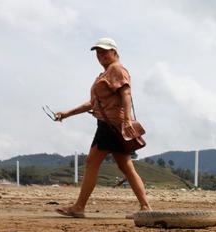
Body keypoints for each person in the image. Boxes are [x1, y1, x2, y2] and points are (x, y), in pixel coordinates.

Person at [53, 37, 151, 217]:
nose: (101, 55)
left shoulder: (116, 69)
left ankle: (79, 207)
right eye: (98, 52)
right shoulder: (104, 75)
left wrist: (128, 120)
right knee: (126, 166)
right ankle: (145, 207)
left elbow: (126, 94)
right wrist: (66, 113)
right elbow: (92, 104)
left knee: (92, 163)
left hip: (111, 126)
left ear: (114, 52)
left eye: (105, 51)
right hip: (112, 125)